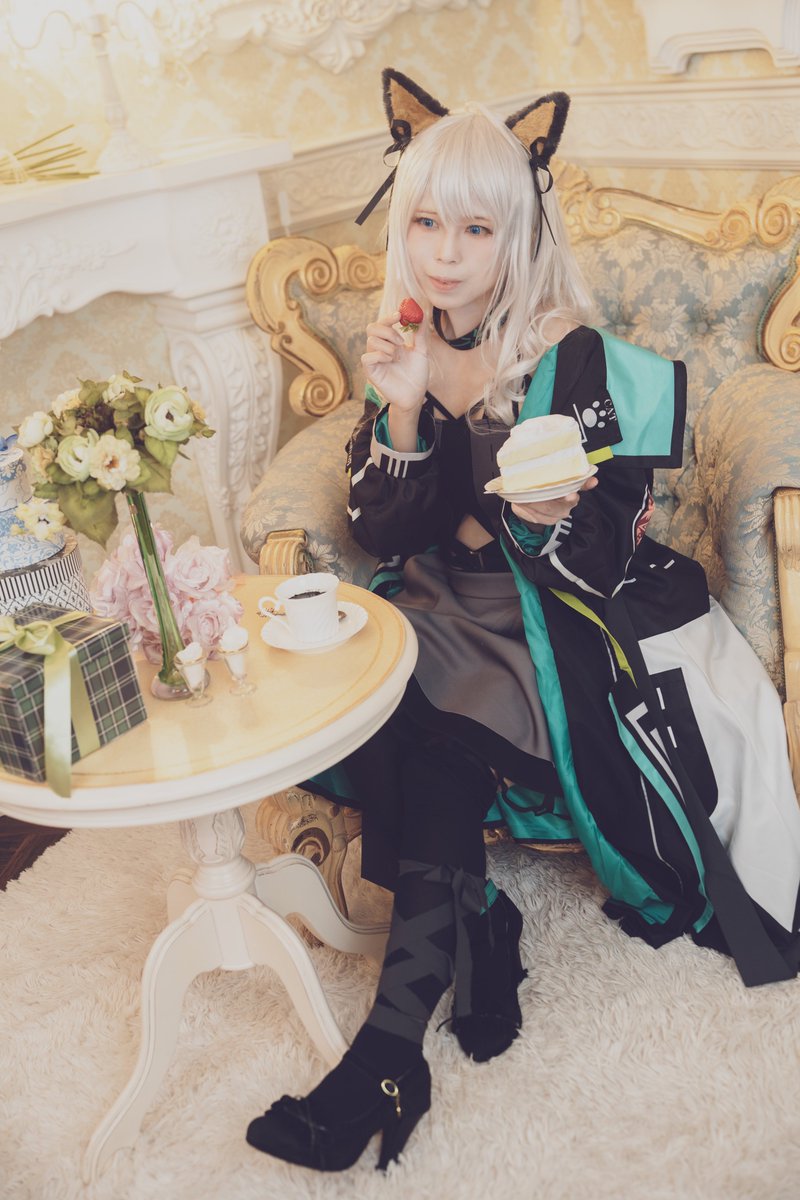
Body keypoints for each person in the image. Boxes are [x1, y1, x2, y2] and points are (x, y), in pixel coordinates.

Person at [246, 69, 800, 1173]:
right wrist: (404, 406)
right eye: (425, 222)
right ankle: (474, 934)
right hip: (435, 605)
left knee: (440, 744)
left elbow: (611, 542)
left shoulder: (569, 356)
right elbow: (383, 528)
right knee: (372, 711)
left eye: (476, 227)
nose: (445, 253)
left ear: (517, 233)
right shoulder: (401, 342)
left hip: (549, 622)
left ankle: (387, 1052)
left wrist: (553, 520)